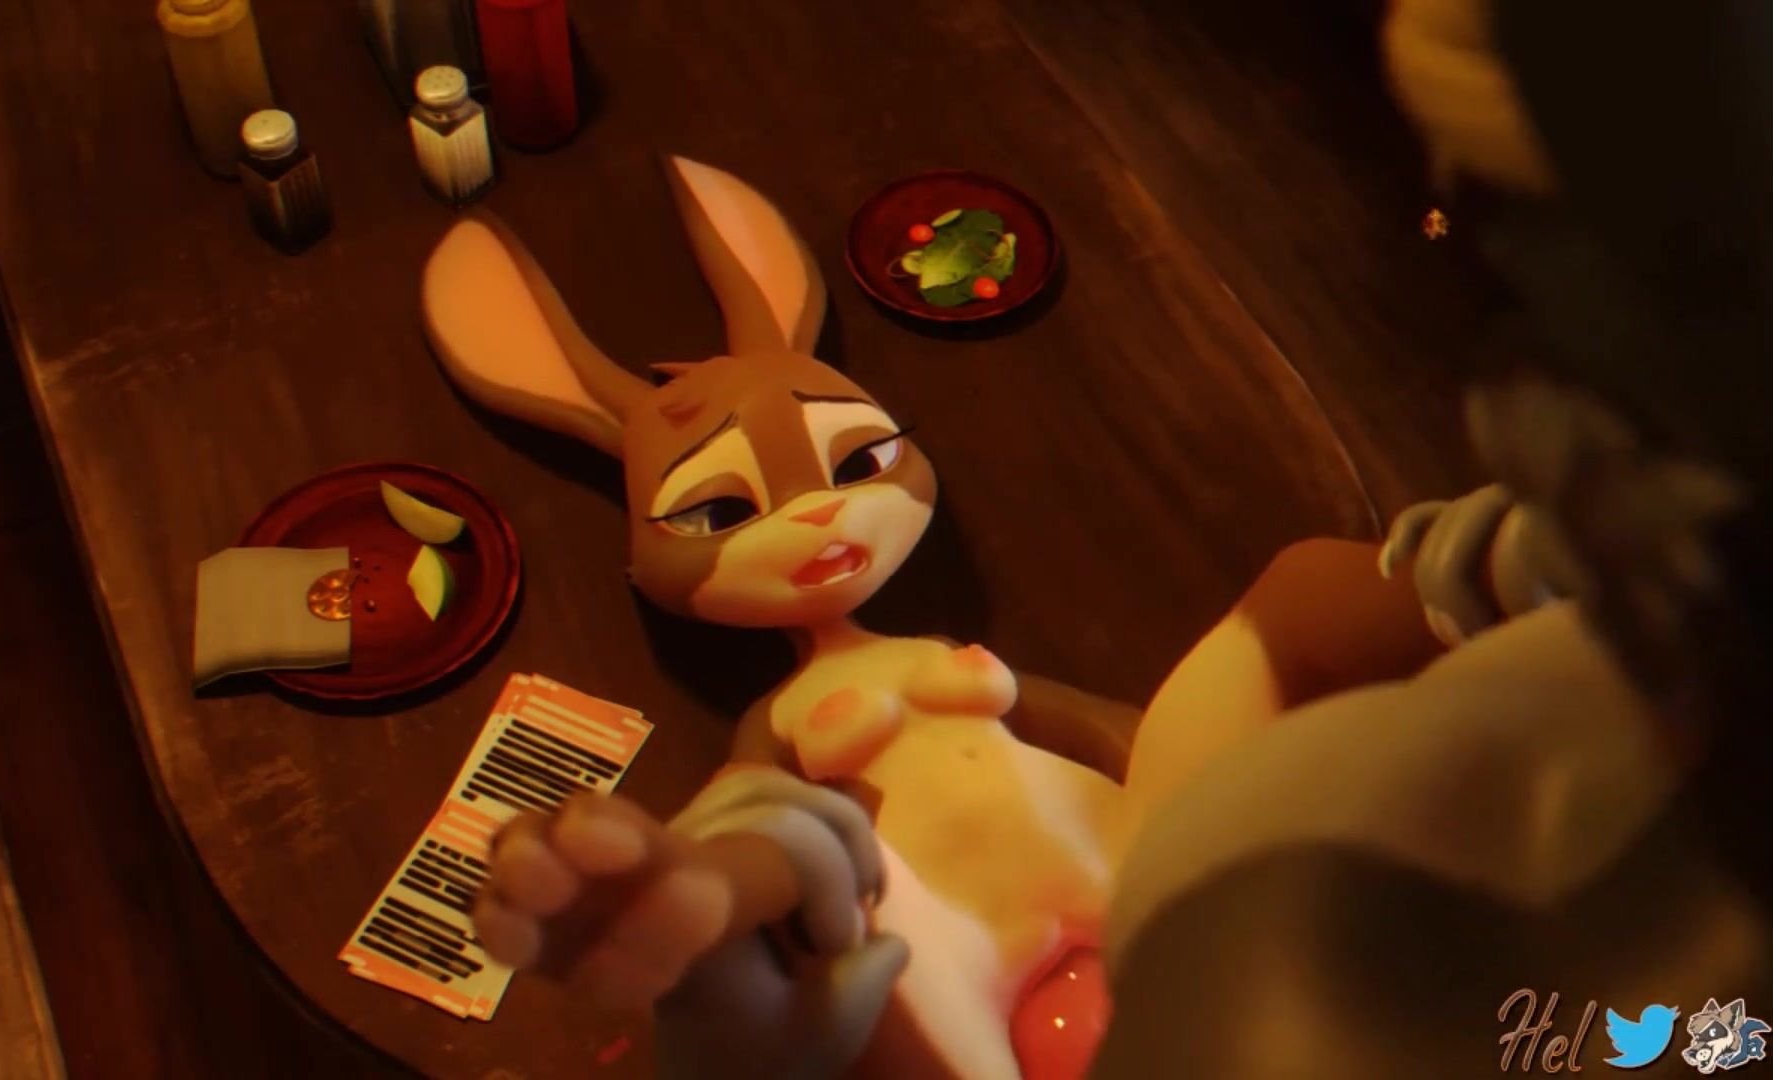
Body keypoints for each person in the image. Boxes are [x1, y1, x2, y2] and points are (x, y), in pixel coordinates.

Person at [474, 1, 1773, 1074]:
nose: (816, 515)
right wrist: (717, 892)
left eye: (855, 462)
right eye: (719, 511)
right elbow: (808, 841)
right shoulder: (1535, 633)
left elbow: (1126, 741)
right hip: (1014, 918)